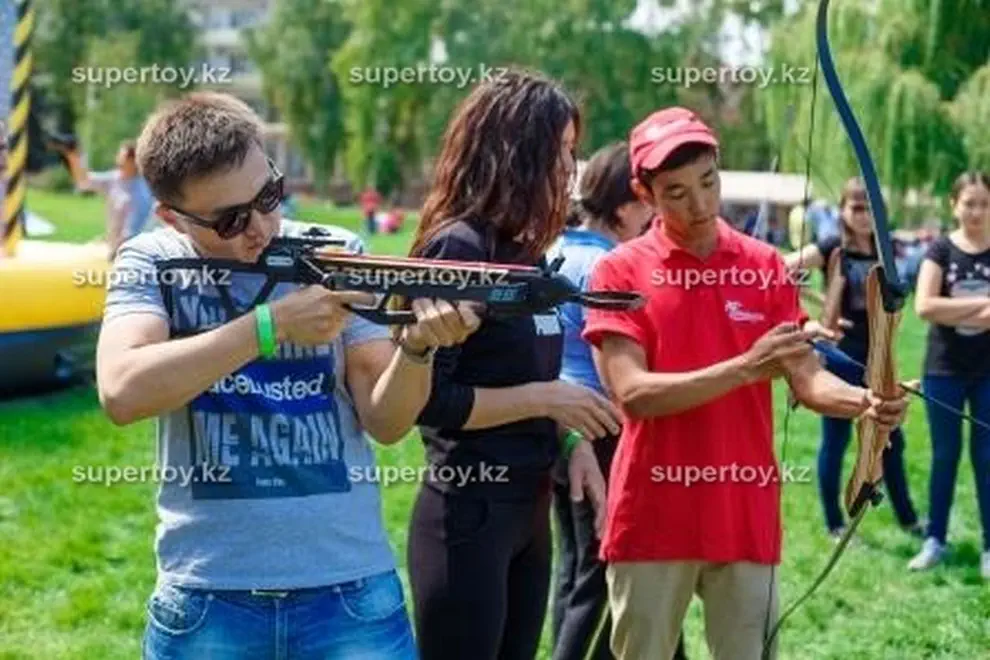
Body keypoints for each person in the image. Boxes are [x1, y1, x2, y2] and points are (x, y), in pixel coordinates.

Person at [95, 91, 481, 659]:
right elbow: (122, 391)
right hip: (207, 590)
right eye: (230, 220)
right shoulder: (149, 259)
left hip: (348, 586)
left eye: (269, 196)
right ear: (171, 216)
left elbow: (386, 421)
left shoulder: (338, 252)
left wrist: (419, 348)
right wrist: (270, 327)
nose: (260, 227)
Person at [581, 107, 910, 660]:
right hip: (653, 513)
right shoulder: (619, 270)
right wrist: (746, 367)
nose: (700, 204)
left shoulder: (763, 265)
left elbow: (807, 378)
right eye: (676, 192)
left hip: (743, 512)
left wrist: (866, 402)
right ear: (644, 192)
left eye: (708, 182)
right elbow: (632, 395)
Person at [404, 70, 622, 660]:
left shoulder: (525, 254)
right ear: (516, 154)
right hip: (467, 513)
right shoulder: (459, 248)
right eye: (560, 152)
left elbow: (520, 373)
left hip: (528, 509)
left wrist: (569, 439)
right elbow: (430, 401)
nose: (569, 170)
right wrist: (549, 399)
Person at [545, 142, 687, 660]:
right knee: (602, 568)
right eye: (649, 204)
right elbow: (628, 361)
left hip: (558, 425)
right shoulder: (613, 266)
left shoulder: (554, 250)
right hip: (602, 430)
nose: (656, 217)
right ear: (626, 208)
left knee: (575, 562)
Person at [784, 178, 923, 540]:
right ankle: (834, 523)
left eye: (871, 208)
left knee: (890, 439)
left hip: (878, 355)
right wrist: (818, 310)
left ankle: (908, 518)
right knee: (836, 440)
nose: (864, 216)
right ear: (843, 211)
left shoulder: (885, 248)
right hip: (841, 355)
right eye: (856, 208)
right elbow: (777, 270)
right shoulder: (833, 247)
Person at [909, 170, 990, 578]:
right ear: (953, 205)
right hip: (944, 370)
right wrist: (982, 306)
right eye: (969, 203)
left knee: (987, 458)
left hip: (987, 372)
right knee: (945, 455)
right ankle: (935, 539)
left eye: (984, 204)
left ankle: (989, 547)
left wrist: (951, 308)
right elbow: (924, 306)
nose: (976, 211)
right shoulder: (940, 249)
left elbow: (940, 306)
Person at [53, 138, 155, 258]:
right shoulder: (114, 179)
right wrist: (73, 157)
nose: (118, 161)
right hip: (117, 248)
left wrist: (117, 250)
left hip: (132, 252)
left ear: (133, 162)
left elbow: (133, 231)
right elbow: (84, 181)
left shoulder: (141, 191)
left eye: (123, 158)